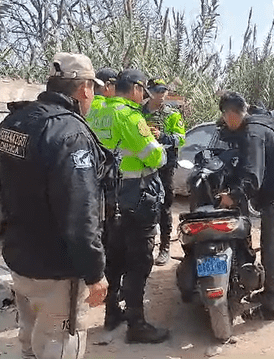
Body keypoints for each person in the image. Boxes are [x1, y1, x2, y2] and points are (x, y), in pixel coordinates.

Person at [0, 52, 110, 359]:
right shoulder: (69, 133)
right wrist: (94, 273)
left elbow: (4, 189)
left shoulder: (15, 121)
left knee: (30, 342)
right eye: (93, 90)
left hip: (21, 259)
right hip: (57, 273)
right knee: (58, 346)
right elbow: (79, 214)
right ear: (85, 88)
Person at [86, 69, 170, 343]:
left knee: (113, 256)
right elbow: (154, 157)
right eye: (142, 89)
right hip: (136, 198)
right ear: (134, 89)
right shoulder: (130, 116)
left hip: (107, 198)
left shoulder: (95, 111)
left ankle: (112, 313)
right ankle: (137, 324)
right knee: (138, 261)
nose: (143, 94)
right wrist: (161, 146)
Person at [217, 92, 274, 320]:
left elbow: (253, 176)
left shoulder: (254, 133)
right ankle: (267, 294)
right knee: (269, 246)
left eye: (224, 117)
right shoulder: (255, 124)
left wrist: (234, 195)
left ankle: (272, 307)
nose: (224, 121)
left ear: (231, 114)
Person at [143, 78, 186, 266]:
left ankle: (165, 247)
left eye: (163, 91)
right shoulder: (139, 112)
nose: (161, 95)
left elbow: (180, 139)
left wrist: (162, 136)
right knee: (144, 207)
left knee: (165, 207)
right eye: (157, 91)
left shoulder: (172, 114)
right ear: (149, 91)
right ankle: (146, 247)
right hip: (142, 166)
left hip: (165, 167)